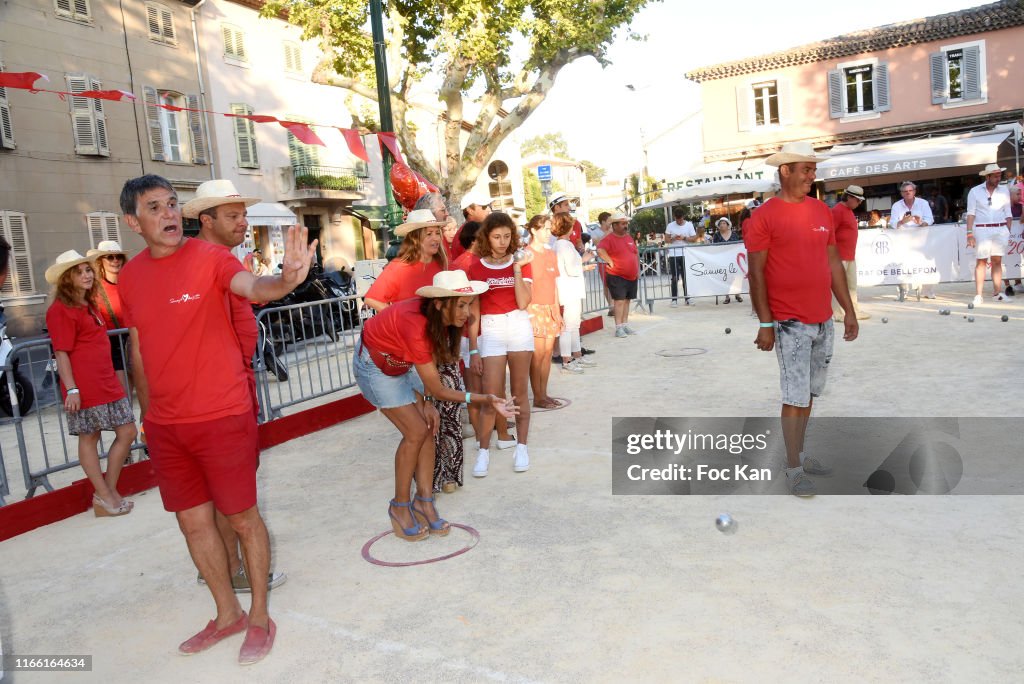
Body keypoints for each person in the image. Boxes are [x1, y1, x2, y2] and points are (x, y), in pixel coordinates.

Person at [118, 174, 316, 664]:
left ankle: (259, 616)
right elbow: (140, 347)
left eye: (171, 205)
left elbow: (253, 286)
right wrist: (147, 414)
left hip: (222, 413)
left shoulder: (211, 258)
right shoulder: (130, 276)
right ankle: (226, 613)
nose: (167, 215)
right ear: (132, 221)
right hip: (167, 426)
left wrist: (287, 279)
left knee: (242, 519)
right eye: (154, 208)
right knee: (192, 524)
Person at [353, 270, 517, 539]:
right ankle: (399, 506)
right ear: (440, 303)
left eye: (469, 304)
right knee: (415, 432)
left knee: (429, 427)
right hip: (377, 366)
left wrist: (427, 402)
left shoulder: (444, 320)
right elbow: (441, 388)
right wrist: (485, 399)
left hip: (405, 361)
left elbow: (433, 378)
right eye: (461, 304)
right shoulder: (416, 324)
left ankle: (424, 501)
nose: (468, 313)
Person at [183, 179, 286, 596]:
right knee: (230, 491)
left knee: (229, 488)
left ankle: (224, 564)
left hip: (238, 384)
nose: (243, 222)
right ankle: (231, 567)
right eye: (233, 216)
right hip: (222, 393)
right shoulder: (203, 266)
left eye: (243, 214)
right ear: (206, 220)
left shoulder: (225, 262)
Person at [745, 142, 858, 497]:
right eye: (806, 169)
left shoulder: (821, 211)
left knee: (808, 394)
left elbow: (833, 263)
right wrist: (766, 323)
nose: (813, 175)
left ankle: (800, 455)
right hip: (789, 322)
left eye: (813, 168)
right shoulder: (763, 216)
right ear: (785, 171)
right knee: (794, 397)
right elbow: (756, 274)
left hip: (823, 319)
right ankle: (793, 467)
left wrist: (848, 311)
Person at [44, 251, 137, 517]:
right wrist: (72, 389)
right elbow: (61, 352)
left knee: (128, 432)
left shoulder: (89, 305)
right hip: (85, 386)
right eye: (79, 271)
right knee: (90, 437)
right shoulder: (60, 310)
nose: (86, 275)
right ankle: (107, 496)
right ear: (66, 279)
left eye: (87, 270)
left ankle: (105, 492)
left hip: (106, 380)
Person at [466, 212, 534, 476]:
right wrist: (473, 348)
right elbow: (473, 312)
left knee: (519, 392)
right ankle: (483, 452)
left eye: (507, 236)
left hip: (518, 324)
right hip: (491, 328)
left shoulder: (522, 262)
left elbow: (523, 302)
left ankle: (522, 447)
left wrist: (516, 269)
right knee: (490, 395)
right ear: (487, 237)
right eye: (497, 237)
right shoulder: (477, 267)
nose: (503, 242)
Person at [364, 209, 447, 311]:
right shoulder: (398, 267)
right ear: (415, 239)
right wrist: (397, 320)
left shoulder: (444, 264)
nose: (436, 238)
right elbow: (372, 299)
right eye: (429, 234)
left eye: (437, 233)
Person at [524, 215, 564, 406]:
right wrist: (530, 312)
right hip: (534, 308)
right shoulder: (526, 254)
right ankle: (538, 396)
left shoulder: (550, 254)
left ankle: (544, 393)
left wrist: (557, 310)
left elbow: (554, 284)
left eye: (550, 229)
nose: (549, 233)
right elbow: (525, 286)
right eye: (545, 229)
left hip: (550, 307)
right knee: (537, 355)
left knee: (547, 354)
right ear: (533, 230)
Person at [965, 163, 1014, 306]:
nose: (999, 178)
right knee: (981, 261)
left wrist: (1007, 230)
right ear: (987, 176)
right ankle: (978, 295)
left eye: (1000, 175)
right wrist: (969, 233)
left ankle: (997, 293)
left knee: (997, 261)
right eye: (996, 176)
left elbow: (1008, 212)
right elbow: (971, 213)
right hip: (981, 229)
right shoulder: (974, 191)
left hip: (1000, 229)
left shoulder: (1004, 190)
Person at [552, 213, 595, 374]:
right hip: (569, 289)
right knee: (569, 327)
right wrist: (585, 261)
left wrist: (582, 262)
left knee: (573, 325)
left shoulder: (560, 245)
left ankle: (576, 356)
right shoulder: (564, 245)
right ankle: (567, 359)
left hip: (568, 289)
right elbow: (571, 269)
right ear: (568, 227)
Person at [86, 241, 131, 392]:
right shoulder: (94, 288)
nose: (115, 260)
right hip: (112, 344)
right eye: (110, 257)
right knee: (124, 394)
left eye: (118, 256)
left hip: (134, 340)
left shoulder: (130, 282)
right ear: (101, 261)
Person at [889, 180, 935, 300]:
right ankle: (902, 291)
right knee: (902, 264)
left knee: (924, 263)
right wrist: (902, 221)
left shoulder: (923, 203)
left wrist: (921, 222)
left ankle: (927, 291)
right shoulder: (896, 206)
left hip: (921, 237)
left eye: (910, 190)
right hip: (903, 238)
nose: (908, 193)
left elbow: (930, 219)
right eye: (905, 191)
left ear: (914, 191)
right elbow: (892, 223)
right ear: (901, 193)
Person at [830, 185, 869, 321]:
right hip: (839, 256)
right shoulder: (837, 211)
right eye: (858, 200)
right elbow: (830, 234)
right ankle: (838, 313)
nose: (860, 203)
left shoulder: (847, 210)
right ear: (849, 197)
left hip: (849, 255)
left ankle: (853, 310)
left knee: (851, 285)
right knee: (839, 285)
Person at [597, 212, 639, 338]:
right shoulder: (609, 239)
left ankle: (625, 325)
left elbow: (634, 253)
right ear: (614, 225)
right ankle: (618, 327)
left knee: (627, 301)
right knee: (619, 302)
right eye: (622, 224)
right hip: (617, 275)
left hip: (631, 276)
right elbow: (600, 250)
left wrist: (637, 269)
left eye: (626, 223)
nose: (625, 226)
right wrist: (609, 261)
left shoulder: (628, 237)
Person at [664, 206, 697, 307]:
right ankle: (674, 299)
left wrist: (685, 238)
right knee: (674, 278)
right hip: (673, 254)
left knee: (686, 277)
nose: (679, 221)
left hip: (685, 254)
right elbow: (666, 240)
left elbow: (694, 238)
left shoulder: (689, 225)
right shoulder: (670, 225)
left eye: (680, 219)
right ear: (674, 217)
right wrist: (673, 238)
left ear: (683, 217)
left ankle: (688, 298)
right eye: (677, 219)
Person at [711, 217, 743, 305]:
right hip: (722, 260)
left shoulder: (734, 234)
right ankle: (727, 296)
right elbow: (714, 247)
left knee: (736, 277)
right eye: (720, 223)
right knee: (725, 278)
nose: (722, 225)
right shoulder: (716, 235)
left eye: (724, 223)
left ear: (728, 225)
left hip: (734, 259)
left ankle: (738, 294)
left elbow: (738, 245)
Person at [450, 192, 490, 262]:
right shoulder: (465, 234)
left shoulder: (473, 230)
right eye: (484, 207)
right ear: (470, 210)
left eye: (489, 206)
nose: (488, 209)